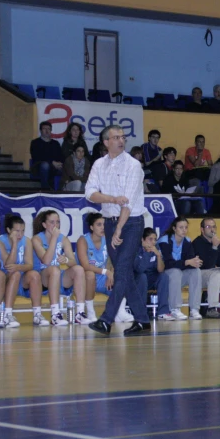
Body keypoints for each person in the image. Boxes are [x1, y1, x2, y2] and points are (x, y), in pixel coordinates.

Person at [85, 124, 150, 336]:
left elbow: (128, 203)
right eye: (116, 137)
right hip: (110, 220)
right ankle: (142, 320)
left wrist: (119, 230)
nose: (121, 141)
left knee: (121, 269)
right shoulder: (99, 164)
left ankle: (106, 319)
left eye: (123, 137)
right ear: (106, 142)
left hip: (130, 223)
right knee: (126, 275)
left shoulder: (133, 165)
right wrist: (112, 199)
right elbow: (90, 194)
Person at [31, 210, 88, 326]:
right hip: (42, 277)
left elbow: (73, 261)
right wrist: (54, 238)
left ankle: (80, 313)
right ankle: (55, 314)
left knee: (79, 269)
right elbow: (46, 261)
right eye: (52, 222)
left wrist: (66, 260)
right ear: (44, 225)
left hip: (57, 276)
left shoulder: (63, 239)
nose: (55, 225)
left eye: (58, 222)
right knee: (54, 269)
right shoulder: (37, 239)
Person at [77, 213, 135, 324]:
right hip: (84, 279)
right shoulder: (83, 240)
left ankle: (120, 312)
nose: (103, 227)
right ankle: (90, 311)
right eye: (99, 224)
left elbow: (115, 260)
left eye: (104, 224)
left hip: (103, 278)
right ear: (91, 227)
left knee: (122, 275)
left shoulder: (109, 238)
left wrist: (112, 272)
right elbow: (85, 265)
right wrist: (106, 272)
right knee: (89, 274)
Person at [0, 214, 46, 328]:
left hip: (20, 277)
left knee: (35, 275)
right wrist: (15, 245)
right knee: (15, 273)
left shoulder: (26, 241)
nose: (20, 234)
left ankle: (37, 314)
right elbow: (8, 265)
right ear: (8, 230)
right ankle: (8, 314)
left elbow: (29, 265)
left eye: (22, 231)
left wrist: (18, 267)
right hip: (4, 279)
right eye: (17, 231)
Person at [158, 216, 203, 320]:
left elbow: (190, 260)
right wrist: (187, 262)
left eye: (186, 227)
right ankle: (175, 309)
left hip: (179, 275)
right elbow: (168, 264)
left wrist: (195, 262)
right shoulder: (164, 241)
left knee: (196, 271)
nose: (184, 230)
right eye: (181, 227)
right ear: (174, 228)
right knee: (175, 271)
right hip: (166, 276)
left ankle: (194, 309)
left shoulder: (187, 241)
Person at [134, 228, 170, 319]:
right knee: (142, 277)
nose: (153, 242)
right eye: (150, 239)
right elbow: (140, 269)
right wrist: (146, 253)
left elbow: (161, 270)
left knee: (164, 276)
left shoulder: (156, 248)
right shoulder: (136, 249)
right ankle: (141, 312)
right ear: (142, 239)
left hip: (151, 277)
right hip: (137, 278)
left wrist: (158, 255)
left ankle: (163, 312)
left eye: (155, 239)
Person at [30, 121, 64, 190]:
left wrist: (59, 163)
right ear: (40, 130)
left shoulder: (55, 143)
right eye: (44, 129)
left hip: (55, 167)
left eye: (48, 129)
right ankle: (46, 190)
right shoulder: (35, 143)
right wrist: (51, 162)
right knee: (45, 165)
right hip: (39, 166)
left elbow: (60, 156)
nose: (46, 131)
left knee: (67, 168)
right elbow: (37, 157)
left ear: (51, 130)